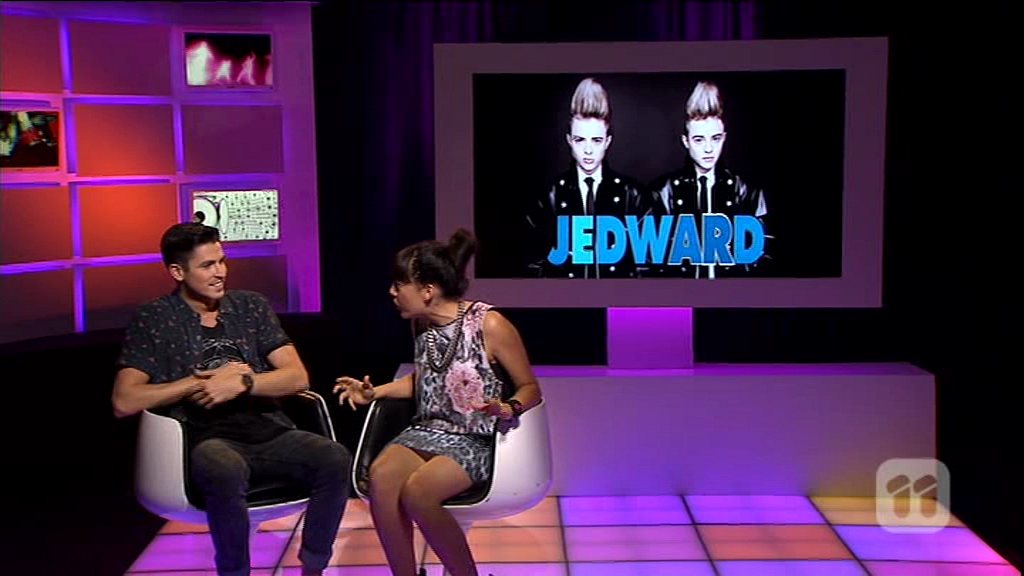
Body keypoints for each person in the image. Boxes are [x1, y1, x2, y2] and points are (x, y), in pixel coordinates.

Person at [112, 222, 351, 576]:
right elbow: (125, 400)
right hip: (204, 436)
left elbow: (297, 376)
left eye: (222, 261)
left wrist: (242, 382)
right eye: (207, 265)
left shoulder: (250, 306)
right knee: (224, 467)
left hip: (266, 431)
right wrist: (198, 383)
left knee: (334, 457)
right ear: (177, 272)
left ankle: (313, 567)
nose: (220, 272)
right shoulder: (155, 318)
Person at [335, 228, 543, 576]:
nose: (392, 292)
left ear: (427, 290)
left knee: (418, 492)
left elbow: (530, 387)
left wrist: (508, 408)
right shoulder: (421, 325)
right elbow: (427, 380)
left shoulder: (489, 324)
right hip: (427, 431)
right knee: (381, 476)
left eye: (399, 284)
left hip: (474, 438)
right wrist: (374, 393)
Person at [525, 77, 651, 278]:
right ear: (569, 140)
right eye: (580, 140)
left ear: (608, 141)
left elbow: (645, 264)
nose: (588, 150)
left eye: (597, 140)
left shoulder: (633, 194)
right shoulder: (549, 196)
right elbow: (533, 262)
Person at [649, 80, 770, 277]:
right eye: (699, 140)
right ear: (686, 141)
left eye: (715, 138)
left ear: (724, 138)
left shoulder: (747, 190)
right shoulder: (662, 191)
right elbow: (653, 258)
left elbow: (761, 256)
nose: (708, 149)